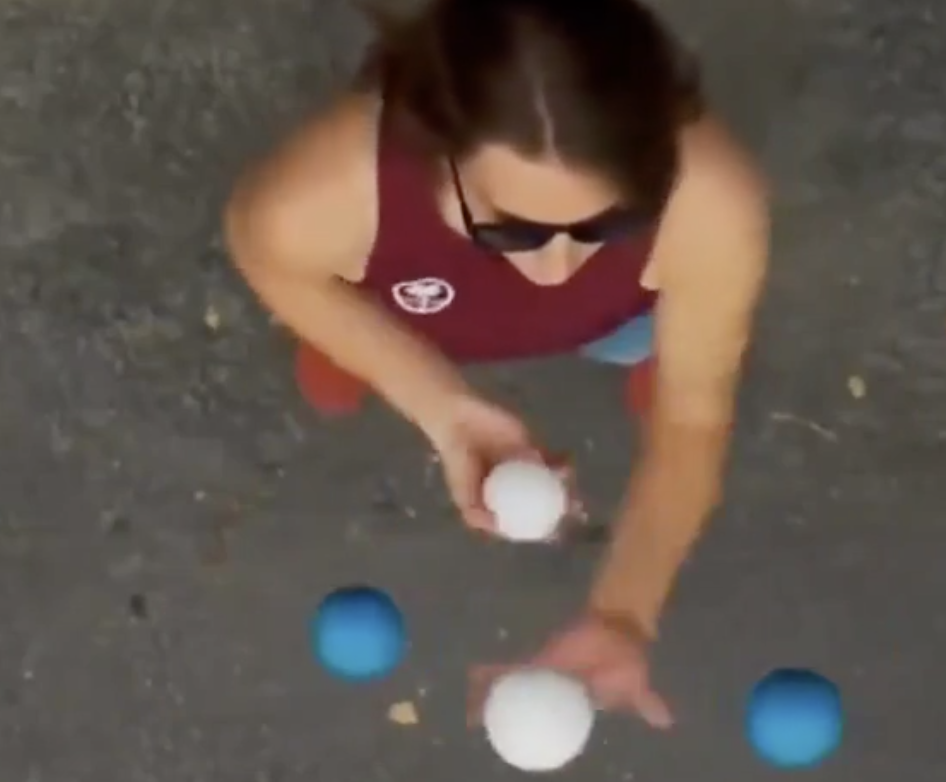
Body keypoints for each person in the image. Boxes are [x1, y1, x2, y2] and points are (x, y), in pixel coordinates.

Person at [225, 0, 769, 729]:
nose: (558, 265)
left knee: (651, 344)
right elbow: (267, 254)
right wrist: (432, 397)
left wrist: (622, 611)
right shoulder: (332, 189)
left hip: (609, 317)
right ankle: (358, 358)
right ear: (431, 139)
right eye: (510, 229)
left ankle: (637, 348)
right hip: (416, 317)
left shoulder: (712, 203)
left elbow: (695, 419)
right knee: (346, 341)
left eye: (612, 223)